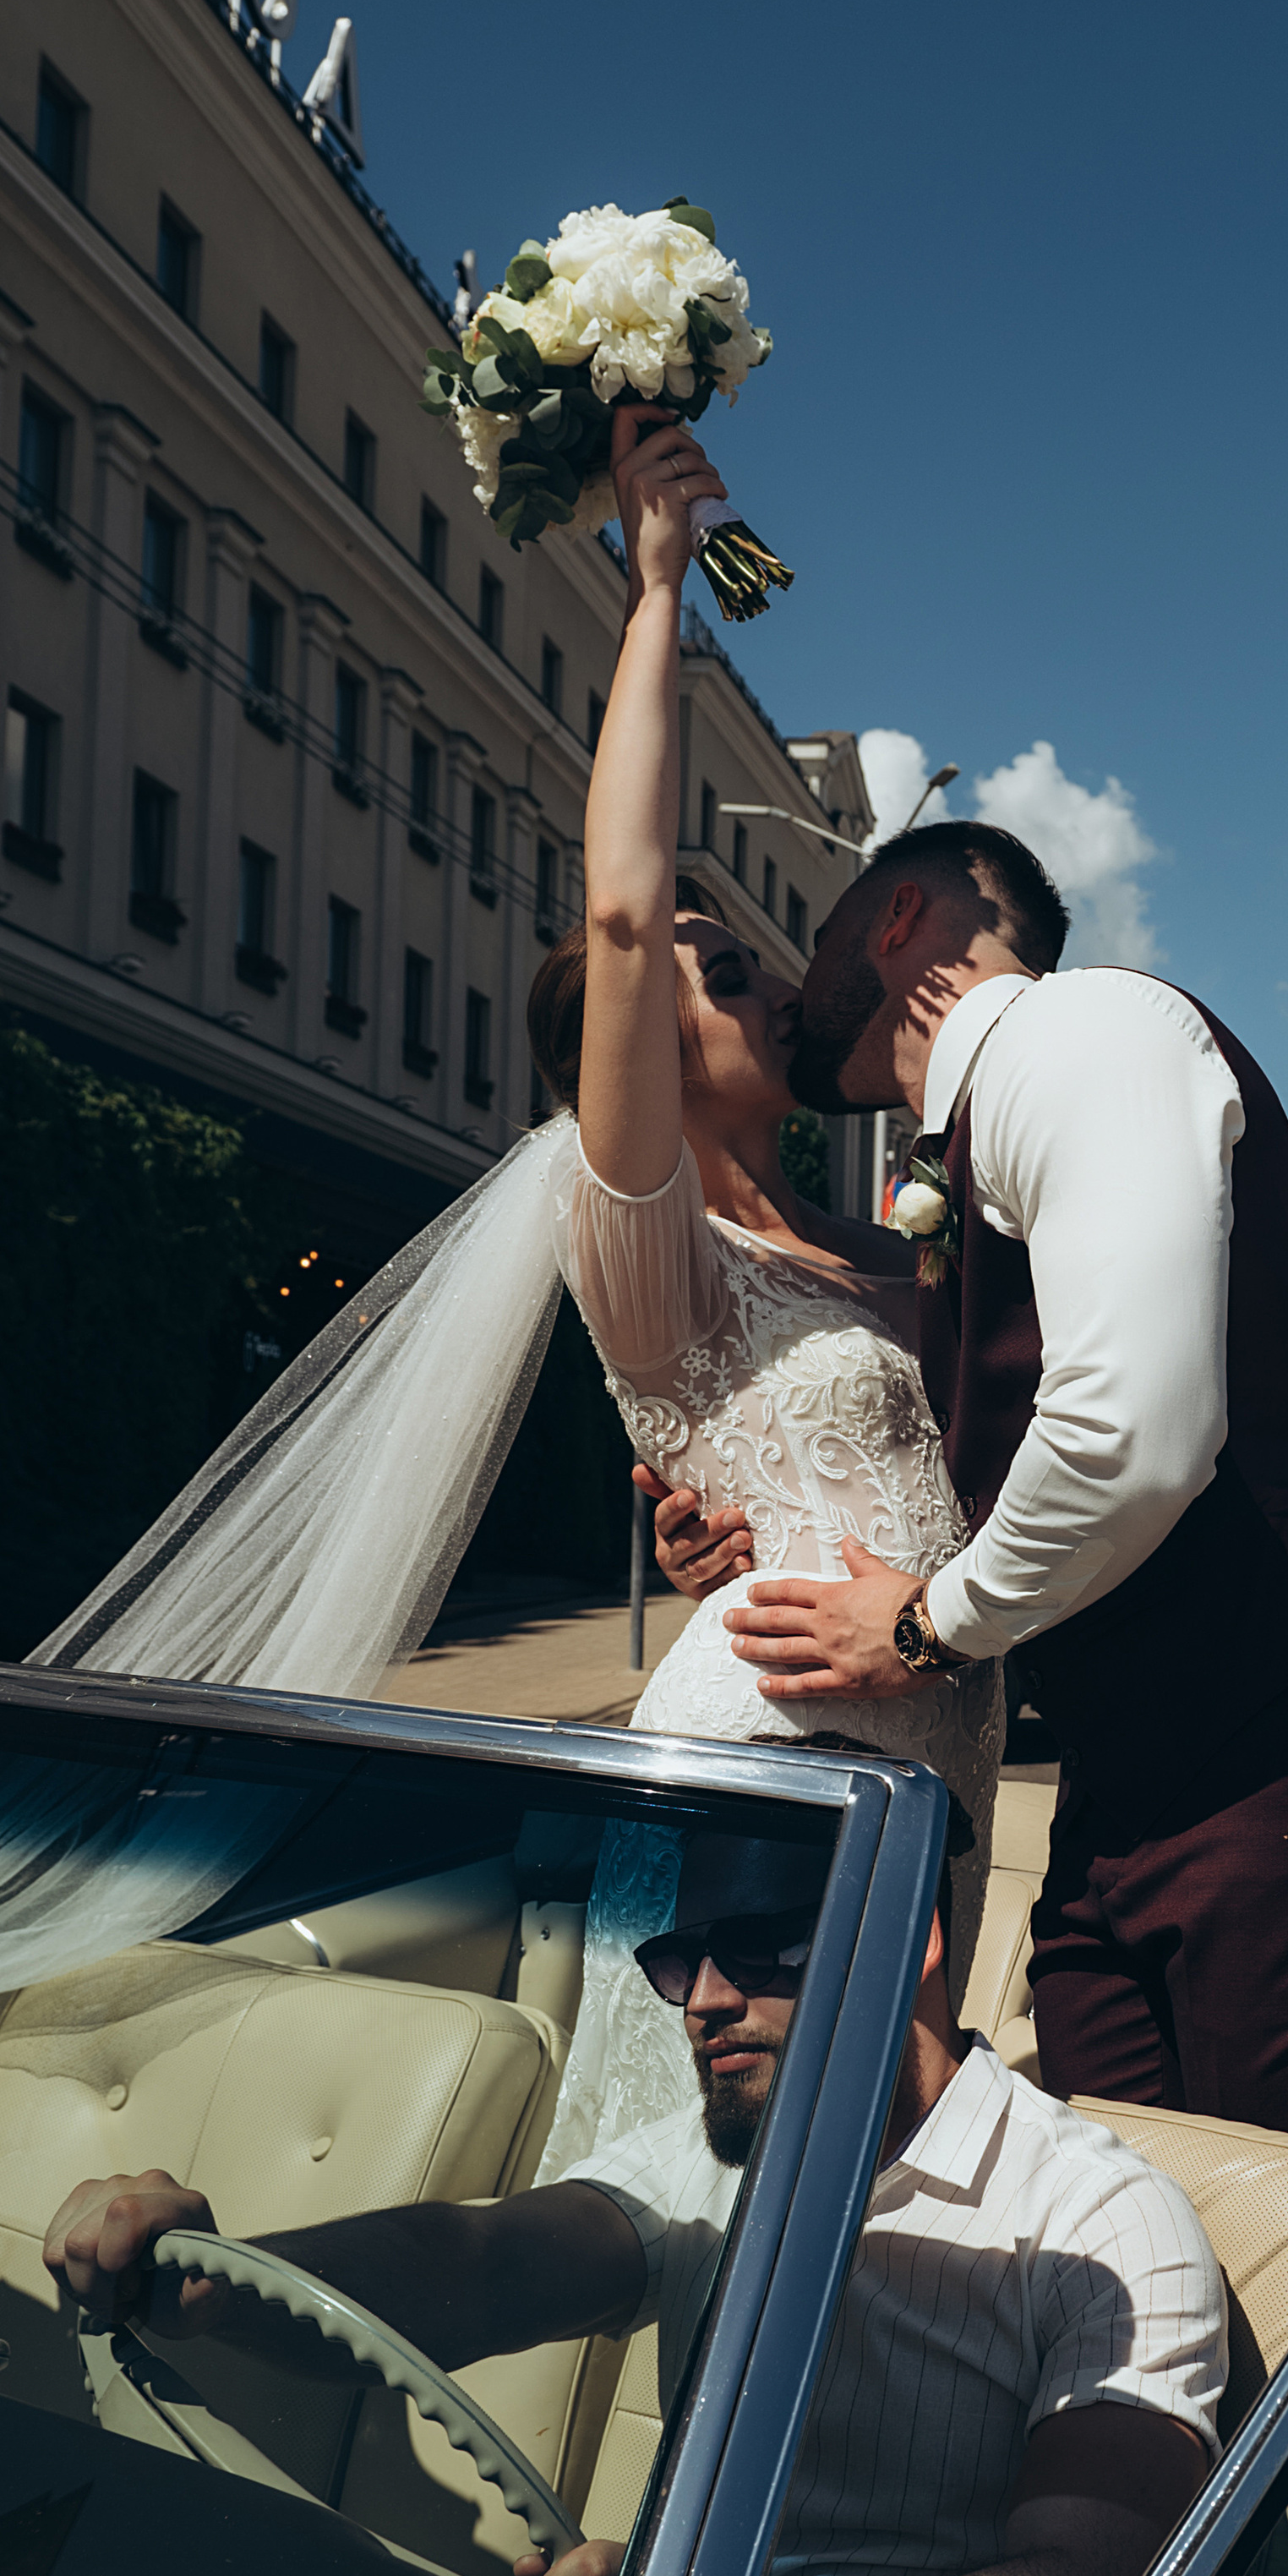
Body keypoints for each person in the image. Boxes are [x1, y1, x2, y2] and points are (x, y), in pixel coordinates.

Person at [652, 823, 1288, 2166]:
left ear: (899, 917)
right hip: (1122, 1799)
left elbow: (1127, 1431)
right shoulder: (963, 1149)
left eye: (817, 937)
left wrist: (923, 1627)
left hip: (1284, 1761)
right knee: (1124, 2220)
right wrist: (748, 1527)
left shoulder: (1078, 1034)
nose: (797, 990)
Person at [43, 1829, 1225, 2576]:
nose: (704, 2001)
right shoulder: (708, 2158)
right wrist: (215, 2278)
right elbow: (480, 2263)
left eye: (757, 1946)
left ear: (911, 1939)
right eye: (681, 1957)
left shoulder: (1105, 2221)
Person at [516, 406, 1007, 2167]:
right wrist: (654, 581)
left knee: (890, 2186)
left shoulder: (880, 1239)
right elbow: (624, 913)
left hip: (934, 1766)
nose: (773, 986)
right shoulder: (649, 1251)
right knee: (724, 2198)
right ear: (640, 1053)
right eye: (725, 974)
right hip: (767, 1781)